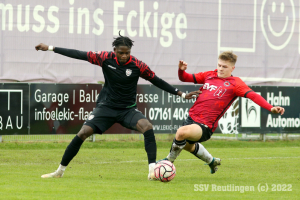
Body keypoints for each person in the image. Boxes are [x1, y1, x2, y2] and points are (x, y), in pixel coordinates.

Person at [35, 32, 200, 180]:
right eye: (121, 53)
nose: (124, 56)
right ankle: (59, 171)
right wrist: (50, 48)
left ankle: (152, 171)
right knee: (83, 133)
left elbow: (157, 81)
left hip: (127, 110)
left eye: (127, 53)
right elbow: (79, 54)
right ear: (114, 50)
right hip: (105, 107)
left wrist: (182, 94)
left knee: (147, 127)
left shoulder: (137, 65)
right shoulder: (104, 57)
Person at [160, 51, 285, 174]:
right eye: (219, 65)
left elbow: (253, 96)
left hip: (205, 125)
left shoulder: (235, 83)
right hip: (191, 118)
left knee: (181, 132)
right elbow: (185, 78)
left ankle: (168, 162)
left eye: (224, 67)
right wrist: (181, 70)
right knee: (186, 145)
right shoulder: (210, 75)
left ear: (232, 68)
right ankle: (212, 161)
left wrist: (270, 108)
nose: (220, 69)